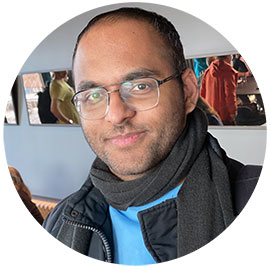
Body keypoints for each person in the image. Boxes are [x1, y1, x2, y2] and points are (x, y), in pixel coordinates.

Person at [43, 7, 261, 265]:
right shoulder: (60, 223)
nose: (116, 115)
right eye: (93, 95)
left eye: (140, 86)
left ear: (189, 92)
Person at [200, 55, 250, 125]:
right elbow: (230, 95)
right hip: (224, 114)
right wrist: (233, 112)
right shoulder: (228, 71)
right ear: (228, 56)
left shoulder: (208, 71)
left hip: (211, 112)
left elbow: (202, 93)